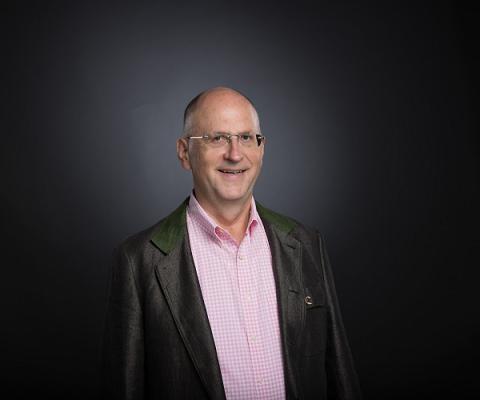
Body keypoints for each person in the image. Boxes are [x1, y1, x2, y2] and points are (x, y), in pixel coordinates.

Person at [101, 87, 362, 400]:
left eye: (247, 137)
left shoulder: (306, 243)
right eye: (217, 138)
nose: (235, 154)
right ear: (184, 152)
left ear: (262, 149)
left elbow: (339, 374)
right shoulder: (138, 261)